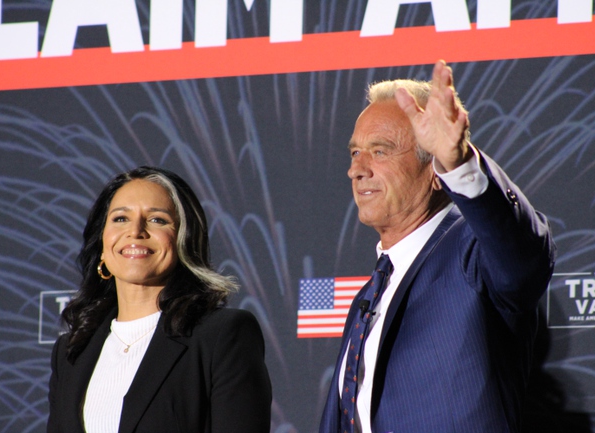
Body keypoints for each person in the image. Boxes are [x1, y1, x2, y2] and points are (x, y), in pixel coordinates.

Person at [319, 60, 556, 432]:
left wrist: (459, 163)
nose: (357, 169)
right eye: (355, 153)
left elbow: (522, 260)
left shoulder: (471, 251)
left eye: (379, 152)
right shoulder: (371, 292)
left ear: (432, 169)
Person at [47, 166, 272, 433]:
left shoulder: (222, 336)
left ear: (183, 240)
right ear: (102, 246)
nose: (136, 231)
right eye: (120, 219)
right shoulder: (71, 352)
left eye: (157, 220)